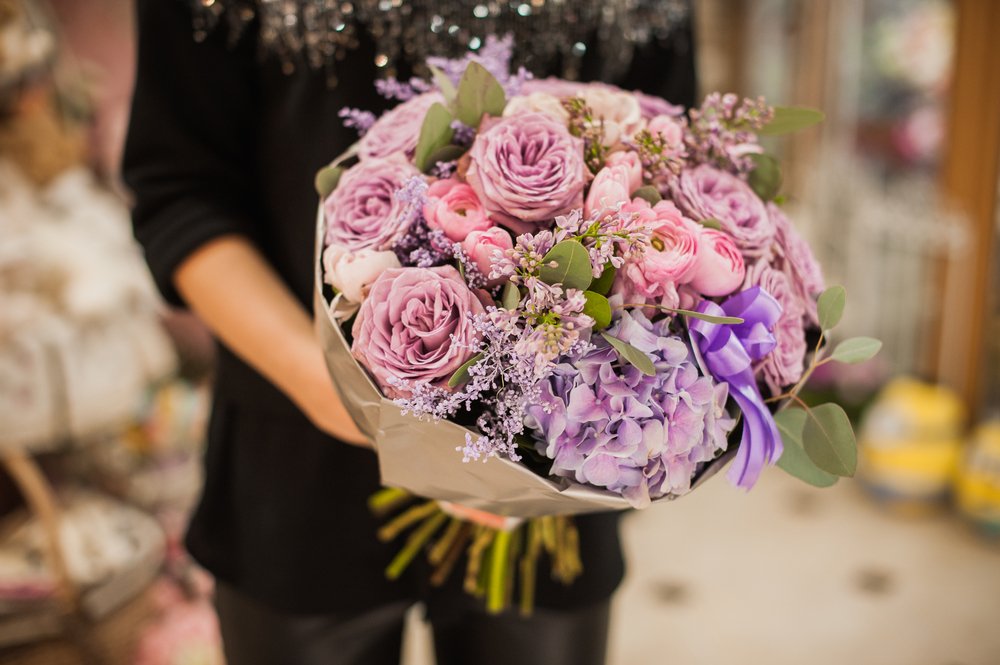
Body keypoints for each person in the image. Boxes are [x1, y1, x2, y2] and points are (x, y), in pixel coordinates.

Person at [122, 2, 697, 663]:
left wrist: (541, 431)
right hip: (299, 465)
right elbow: (180, 184)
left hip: (547, 463)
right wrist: (354, 397)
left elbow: (671, 161)